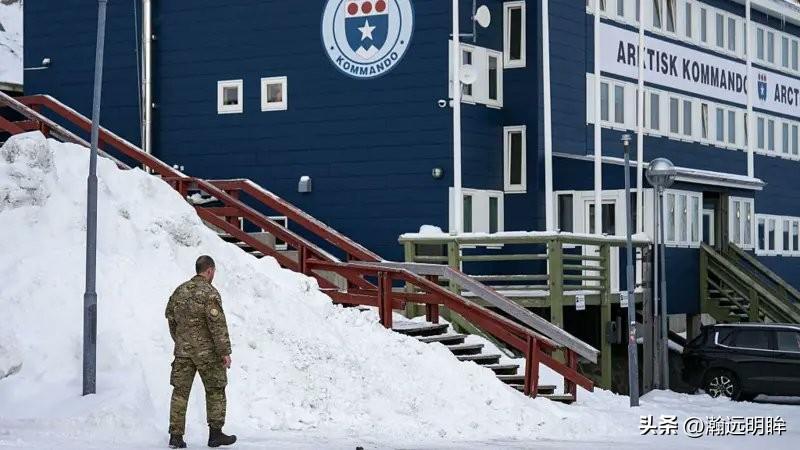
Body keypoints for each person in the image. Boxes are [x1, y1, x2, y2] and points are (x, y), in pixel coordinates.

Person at [165, 255, 236, 448]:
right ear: (210, 270)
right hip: (208, 354)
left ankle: (175, 437)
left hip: (183, 352)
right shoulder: (209, 293)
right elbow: (217, 325)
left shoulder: (179, 291)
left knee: (180, 393)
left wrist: (180, 340)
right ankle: (215, 434)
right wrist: (224, 352)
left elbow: (170, 318)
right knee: (215, 390)